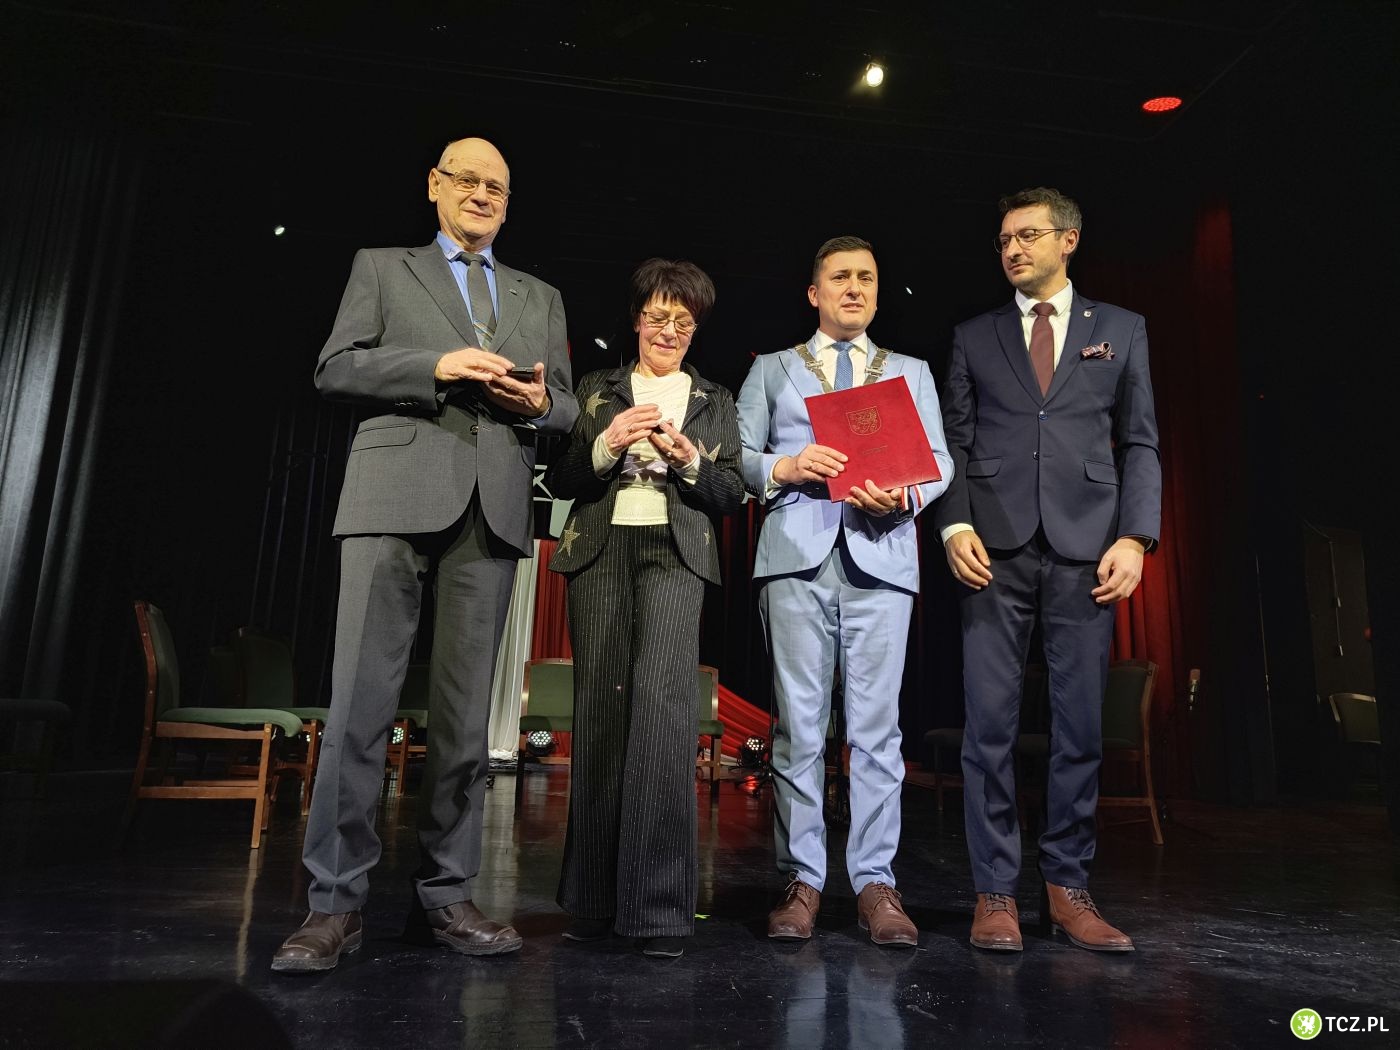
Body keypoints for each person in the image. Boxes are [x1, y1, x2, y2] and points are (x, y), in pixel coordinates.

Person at [272, 136, 579, 972]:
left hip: (493, 508)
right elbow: (336, 368)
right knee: (360, 708)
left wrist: (538, 403)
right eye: (467, 180)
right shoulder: (382, 268)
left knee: (465, 723)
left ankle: (447, 895)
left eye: (497, 187)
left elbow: (566, 408)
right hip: (391, 496)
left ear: (509, 205)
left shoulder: (540, 295)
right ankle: (334, 902)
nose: (482, 194)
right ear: (435, 185)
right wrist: (436, 364)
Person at [935, 187, 1160, 953]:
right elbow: (953, 442)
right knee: (989, 727)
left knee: (1081, 726)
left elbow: (1141, 441)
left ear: (1069, 240)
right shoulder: (974, 335)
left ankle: (1067, 888)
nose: (1012, 249)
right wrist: (954, 522)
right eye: (1003, 239)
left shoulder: (1120, 329)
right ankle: (995, 892)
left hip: (1086, 549)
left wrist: (1136, 537)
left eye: (1028, 235)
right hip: (991, 552)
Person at [737, 236, 952, 948]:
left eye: (866, 277)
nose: (854, 287)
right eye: (840, 277)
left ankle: (875, 883)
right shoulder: (771, 368)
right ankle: (801, 879)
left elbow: (940, 462)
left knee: (877, 731)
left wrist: (906, 495)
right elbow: (739, 457)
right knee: (799, 728)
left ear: (877, 293)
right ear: (815, 292)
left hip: (881, 557)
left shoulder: (911, 371)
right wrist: (789, 465)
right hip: (796, 557)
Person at [545, 259, 744, 959]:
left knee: (662, 724)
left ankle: (657, 910)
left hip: (675, 555)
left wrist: (688, 461)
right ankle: (594, 901)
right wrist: (608, 444)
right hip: (599, 553)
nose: (669, 331)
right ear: (636, 320)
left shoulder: (714, 398)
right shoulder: (596, 389)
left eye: (683, 321)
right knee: (600, 719)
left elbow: (730, 493)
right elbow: (562, 476)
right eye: (658, 317)